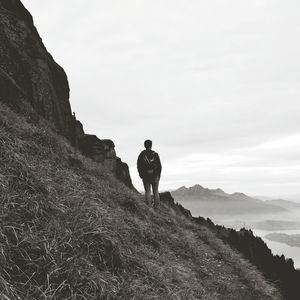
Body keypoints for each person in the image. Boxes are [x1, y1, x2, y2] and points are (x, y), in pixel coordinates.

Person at [137, 140, 162, 208]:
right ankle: (157, 206)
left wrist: (141, 175)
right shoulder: (155, 154)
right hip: (155, 176)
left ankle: (149, 207)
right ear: (151, 145)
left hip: (146, 177)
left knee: (148, 191)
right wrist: (158, 175)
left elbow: (139, 166)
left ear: (144, 145)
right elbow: (159, 166)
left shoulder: (141, 155)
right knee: (155, 191)